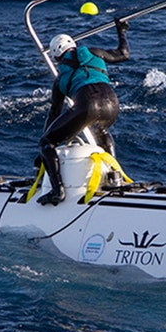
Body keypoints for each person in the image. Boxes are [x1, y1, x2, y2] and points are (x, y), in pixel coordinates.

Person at [37, 19, 130, 205]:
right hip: (112, 103)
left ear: (57, 58)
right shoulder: (94, 53)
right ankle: (115, 179)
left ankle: (57, 191)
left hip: (88, 104)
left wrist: (45, 147)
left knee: (46, 143)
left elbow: (54, 114)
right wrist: (121, 31)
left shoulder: (60, 79)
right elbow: (124, 54)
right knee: (102, 131)